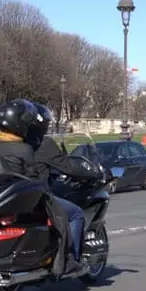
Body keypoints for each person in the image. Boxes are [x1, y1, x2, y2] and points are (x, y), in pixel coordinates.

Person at [27, 104, 102, 271]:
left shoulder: (17, 144)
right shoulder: (44, 144)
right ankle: (71, 259)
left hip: (16, 197)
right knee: (76, 214)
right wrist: (91, 172)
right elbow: (67, 166)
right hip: (38, 198)